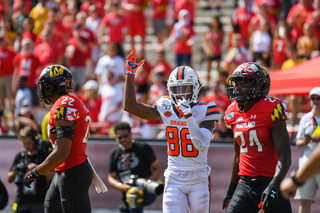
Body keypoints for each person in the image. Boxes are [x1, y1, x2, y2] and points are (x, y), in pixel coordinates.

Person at [124, 49, 220, 213]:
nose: (181, 94)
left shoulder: (207, 109)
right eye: (176, 89)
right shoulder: (165, 106)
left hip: (199, 179)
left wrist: (188, 117)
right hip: (174, 178)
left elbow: (202, 144)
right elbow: (130, 107)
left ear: (195, 87)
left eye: (185, 88)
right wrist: (130, 76)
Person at [22, 65, 95, 213]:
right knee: (50, 208)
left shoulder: (64, 104)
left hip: (73, 170)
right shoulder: (67, 102)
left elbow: (62, 152)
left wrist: (35, 172)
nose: (40, 89)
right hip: (66, 170)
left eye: (43, 85)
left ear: (52, 86)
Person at [222, 62, 292, 213]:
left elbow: (285, 154)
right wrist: (231, 189)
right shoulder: (232, 112)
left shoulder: (271, 109)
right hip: (244, 184)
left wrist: (274, 185)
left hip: (269, 181)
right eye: (237, 82)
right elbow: (238, 156)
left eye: (245, 82)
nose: (238, 87)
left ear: (259, 85)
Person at [108, 121, 162, 213]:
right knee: (132, 196)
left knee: (134, 194)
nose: (123, 139)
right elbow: (111, 177)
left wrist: (146, 182)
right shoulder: (115, 153)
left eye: (125, 136)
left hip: (146, 190)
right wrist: (121, 186)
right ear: (115, 137)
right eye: (120, 137)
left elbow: (158, 170)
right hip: (127, 191)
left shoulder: (143, 147)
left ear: (131, 134)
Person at [7, 126, 54, 213]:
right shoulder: (20, 156)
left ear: (34, 141)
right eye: (24, 143)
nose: (26, 146)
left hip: (39, 201)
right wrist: (15, 172)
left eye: (28, 143)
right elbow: (9, 178)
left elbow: (54, 176)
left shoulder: (44, 156)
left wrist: (37, 169)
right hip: (21, 200)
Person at [288, 87, 320, 213]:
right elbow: (298, 142)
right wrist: (306, 141)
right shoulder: (306, 118)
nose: (315, 101)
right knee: (304, 200)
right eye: (313, 98)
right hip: (307, 161)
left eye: (318, 98)